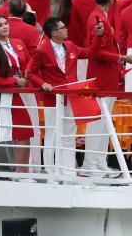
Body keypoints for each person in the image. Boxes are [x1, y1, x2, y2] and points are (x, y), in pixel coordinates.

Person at [27, 17, 98, 176]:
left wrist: (99, 37)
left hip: (71, 97)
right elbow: (30, 72)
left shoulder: (70, 45)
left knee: (69, 134)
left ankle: (68, 171)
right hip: (53, 98)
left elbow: (89, 52)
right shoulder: (42, 49)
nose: (66, 29)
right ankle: (51, 171)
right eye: (63, 27)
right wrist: (43, 83)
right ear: (54, 33)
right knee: (52, 134)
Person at [83, 0, 132, 175]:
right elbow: (97, 52)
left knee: (103, 122)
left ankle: (98, 162)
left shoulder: (99, 17)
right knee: (97, 122)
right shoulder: (99, 19)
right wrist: (121, 58)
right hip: (102, 77)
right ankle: (91, 164)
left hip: (106, 76)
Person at [0, 16, 39, 172]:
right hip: (11, 95)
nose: (4, 27)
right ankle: (21, 171)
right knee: (23, 132)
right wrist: (14, 82)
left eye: (6, 23)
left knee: (28, 132)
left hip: (26, 90)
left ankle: (24, 170)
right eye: (0, 25)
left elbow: (29, 61)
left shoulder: (18, 43)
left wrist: (27, 74)